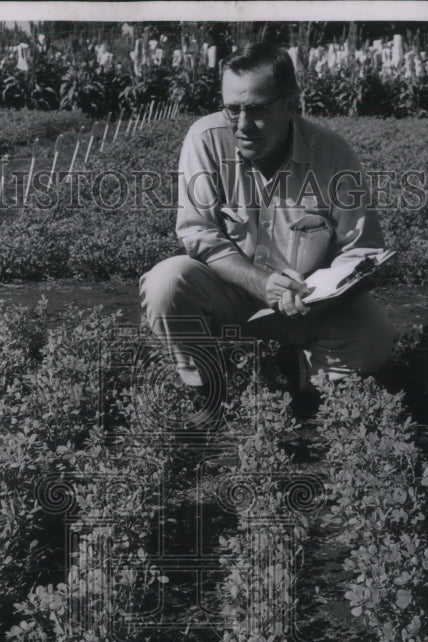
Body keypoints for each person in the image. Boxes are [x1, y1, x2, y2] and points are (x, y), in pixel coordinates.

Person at [139, 42, 394, 428]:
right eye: (232, 109)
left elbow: (361, 249)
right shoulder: (205, 139)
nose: (242, 125)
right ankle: (209, 388)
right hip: (231, 294)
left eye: (257, 110)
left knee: (372, 335)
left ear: (291, 104)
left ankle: (305, 388)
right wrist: (262, 283)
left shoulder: (333, 156)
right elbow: (199, 232)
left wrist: (318, 293)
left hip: (307, 303)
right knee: (166, 282)